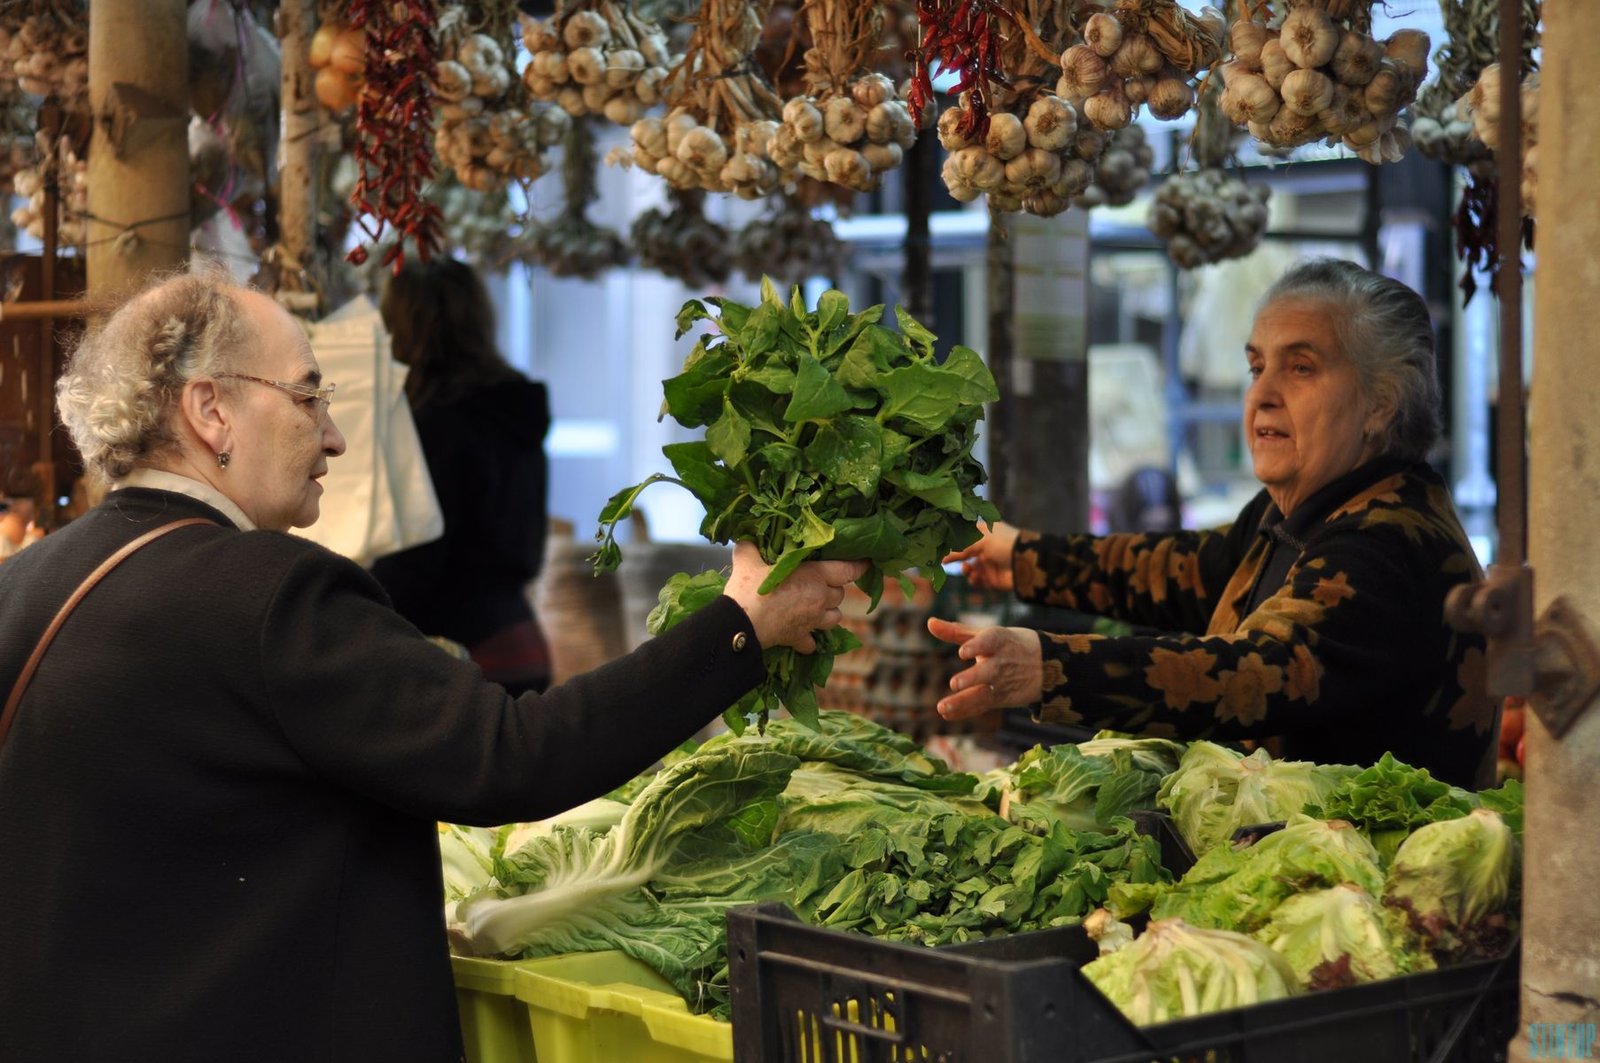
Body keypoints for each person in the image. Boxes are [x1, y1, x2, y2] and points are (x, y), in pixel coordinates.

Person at [0, 269, 865, 1061]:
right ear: (210, 411)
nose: (334, 436)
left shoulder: (21, 587)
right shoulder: (268, 593)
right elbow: (514, 752)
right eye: (307, 395)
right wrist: (743, 622)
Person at [932, 258, 1497, 789]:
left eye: (1301, 368)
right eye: (1256, 367)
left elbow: (1254, 675)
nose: (1262, 395)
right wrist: (1026, 558)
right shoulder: (1309, 509)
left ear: (1382, 402)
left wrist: (1051, 668)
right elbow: (1189, 570)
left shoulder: (1389, 539)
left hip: (1374, 882)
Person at [370, 257, 553, 694]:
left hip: (463, 652)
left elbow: (418, 555)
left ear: (403, 327)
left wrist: (349, 606)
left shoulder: (436, 425)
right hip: (518, 636)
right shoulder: (512, 411)